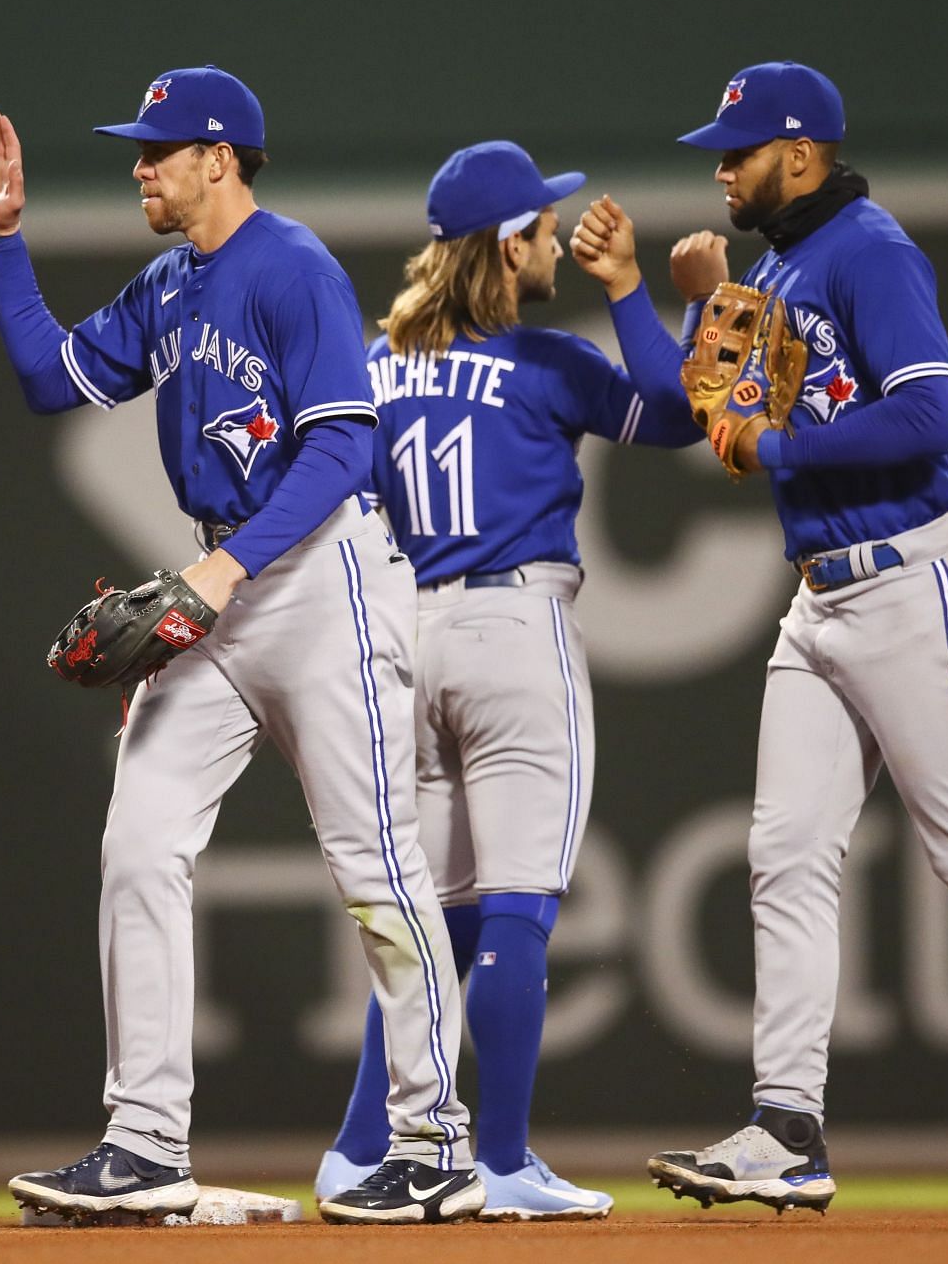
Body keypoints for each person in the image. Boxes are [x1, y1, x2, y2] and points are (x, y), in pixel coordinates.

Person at [576, 61, 948, 1218]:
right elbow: (691, 415)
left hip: (914, 583)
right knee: (785, 854)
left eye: (739, 148)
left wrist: (781, 444)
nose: (722, 164)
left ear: (800, 152)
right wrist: (632, 291)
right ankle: (785, 1127)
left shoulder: (869, 250)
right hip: (821, 603)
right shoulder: (777, 267)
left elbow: (928, 412)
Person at [0, 66, 482, 1226]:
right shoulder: (168, 284)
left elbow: (345, 447)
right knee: (139, 841)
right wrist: (4, 242)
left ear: (221, 158)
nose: (140, 167)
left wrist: (223, 570)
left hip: (318, 576)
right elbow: (48, 379)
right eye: (139, 150)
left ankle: (435, 1141)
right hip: (223, 581)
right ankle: (145, 1141)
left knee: (373, 864)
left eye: (159, 149)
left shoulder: (292, 266)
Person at [315, 141, 702, 1221]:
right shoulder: (543, 360)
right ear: (507, 245)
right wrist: (629, 288)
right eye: (539, 228)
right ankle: (502, 1158)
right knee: (519, 914)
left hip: (408, 641)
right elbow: (675, 414)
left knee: (430, 923)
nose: (552, 243)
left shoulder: (371, 364)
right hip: (514, 630)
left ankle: (358, 1150)